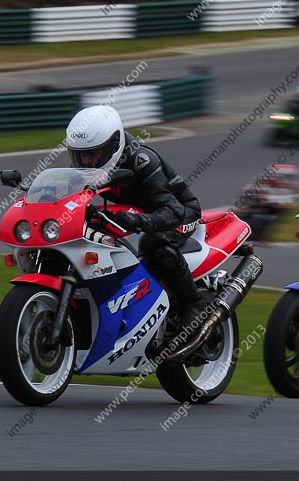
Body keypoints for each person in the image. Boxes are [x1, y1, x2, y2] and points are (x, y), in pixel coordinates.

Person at [65, 105, 204, 333]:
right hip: (132, 213)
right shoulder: (86, 163)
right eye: (81, 155)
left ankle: (193, 305)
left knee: (154, 243)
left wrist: (140, 222)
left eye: (93, 154)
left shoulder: (142, 160)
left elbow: (174, 210)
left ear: (113, 146)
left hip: (180, 213)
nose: (87, 161)